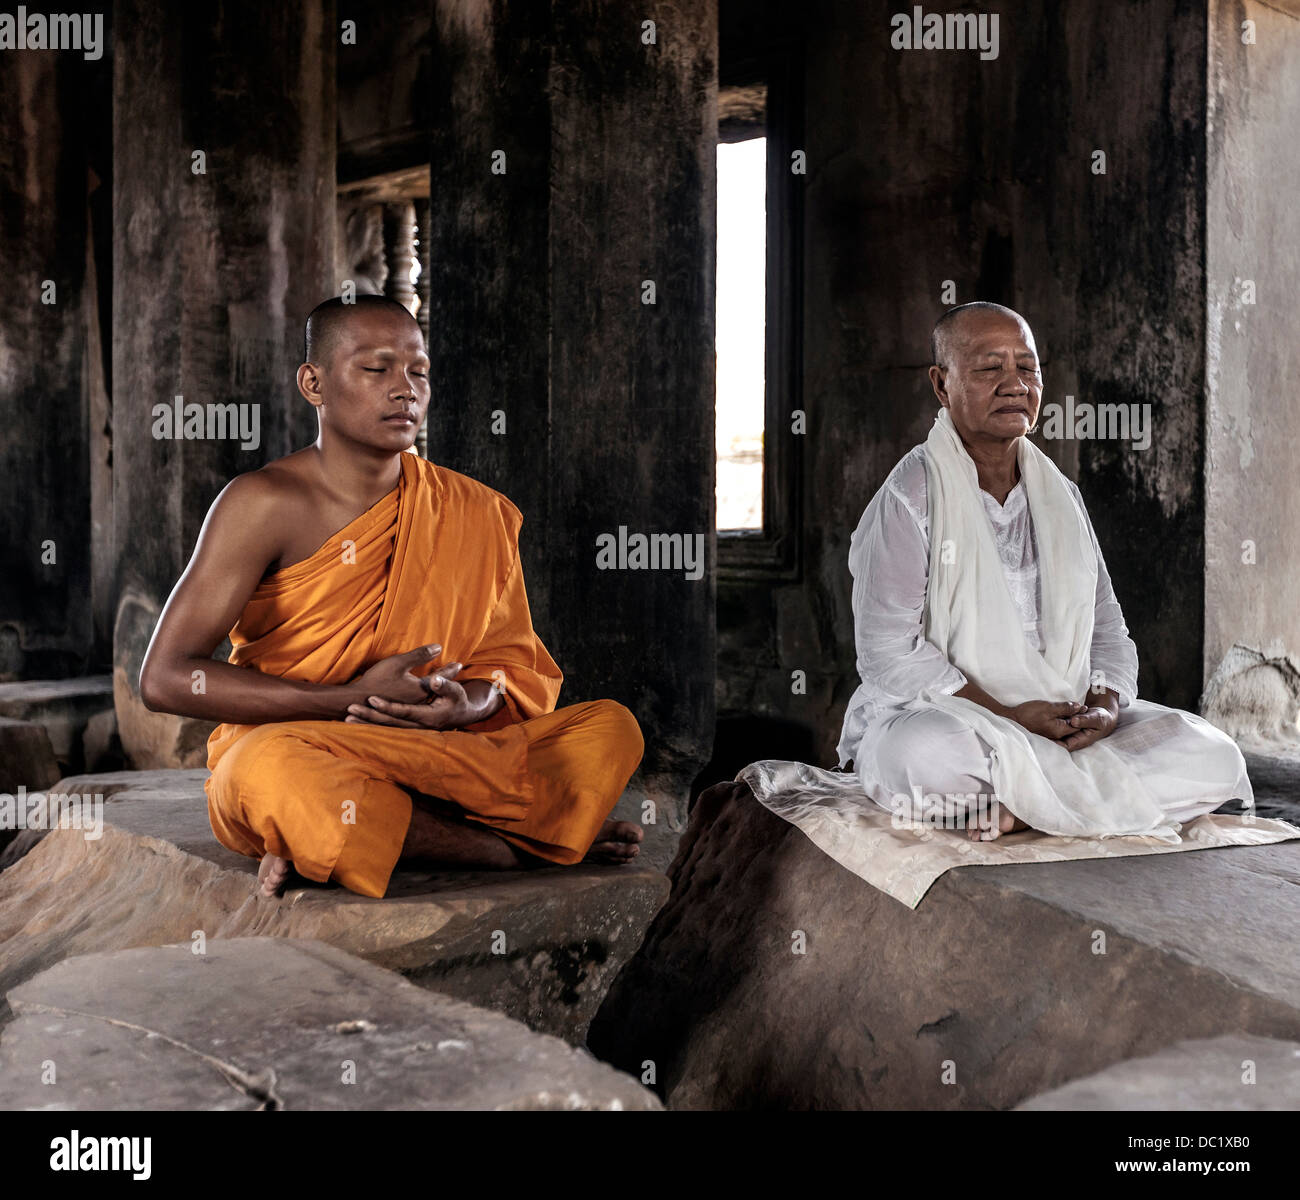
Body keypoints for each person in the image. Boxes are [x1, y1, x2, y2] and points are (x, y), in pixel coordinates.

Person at [140, 295, 645, 897]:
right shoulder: (262, 503)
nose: (404, 390)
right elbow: (166, 678)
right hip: (303, 743)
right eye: (376, 370)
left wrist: (468, 707)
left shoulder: (474, 509)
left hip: (437, 753)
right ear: (314, 382)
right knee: (262, 772)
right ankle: (505, 849)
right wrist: (345, 700)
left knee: (611, 729)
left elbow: (507, 665)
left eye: (418, 372)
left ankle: (349, 839)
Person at [838, 301, 1252, 841]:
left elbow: (1108, 630)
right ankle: (1072, 799)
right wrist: (1010, 714)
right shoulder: (910, 496)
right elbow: (886, 653)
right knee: (920, 759)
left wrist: (1102, 710)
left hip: (1065, 721)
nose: (1014, 384)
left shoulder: (1062, 498)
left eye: (1027, 368)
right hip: (961, 722)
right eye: (990, 368)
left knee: (1211, 753)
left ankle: (1026, 809)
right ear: (942, 385)